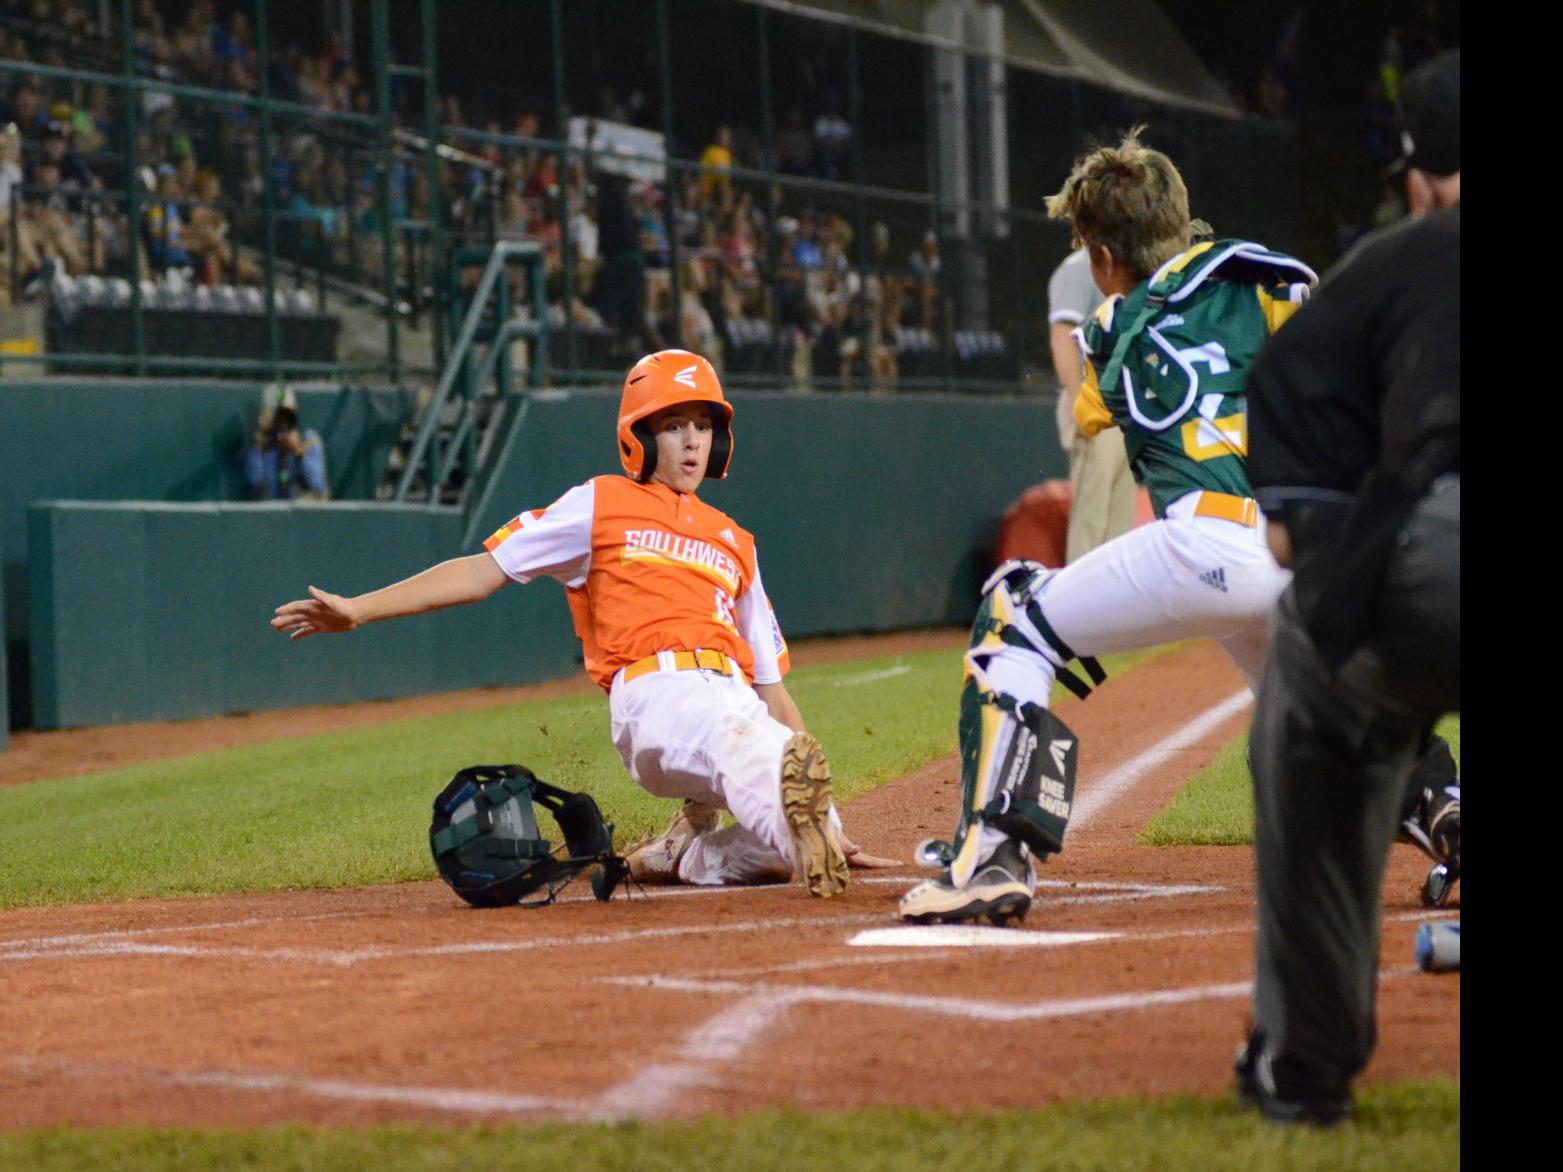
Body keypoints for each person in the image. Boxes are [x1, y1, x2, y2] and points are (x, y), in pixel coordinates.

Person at [271, 350, 894, 895]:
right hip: (656, 697)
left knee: (775, 779)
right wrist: (359, 608)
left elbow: (771, 690)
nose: (692, 441)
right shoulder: (602, 502)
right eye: (673, 426)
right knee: (743, 746)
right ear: (639, 438)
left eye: (702, 426)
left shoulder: (737, 542)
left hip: (730, 695)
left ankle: (693, 854)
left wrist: (831, 811)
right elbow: (481, 572)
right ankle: (791, 825)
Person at [899, 129, 1317, 926]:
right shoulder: (1269, 278)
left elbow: (1091, 415)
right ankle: (1445, 813)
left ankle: (990, 853)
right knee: (1324, 710)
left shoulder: (1106, 330)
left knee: (1012, 614)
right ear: (1183, 219)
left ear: (1099, 259)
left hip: (1199, 541)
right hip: (1289, 547)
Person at [1234, 50, 1460, 1126]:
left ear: (1422, 174)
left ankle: (1306, 1055)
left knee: (1322, 699)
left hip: (1441, 554)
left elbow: (1284, 384)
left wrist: (1326, 549)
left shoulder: (1407, 253)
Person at [1047, 245, 1138, 563]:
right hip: (1095, 403)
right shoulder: (1078, 268)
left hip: (1125, 408)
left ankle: (1114, 611)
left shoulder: (1124, 266)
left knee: (1119, 530)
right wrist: (1080, 403)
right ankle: (1080, 612)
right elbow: (1062, 339)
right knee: (1090, 526)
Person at [244, 384, 329, 502]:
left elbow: (316, 483)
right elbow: (254, 480)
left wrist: (298, 452)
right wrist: (260, 439)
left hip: (304, 514)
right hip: (271, 513)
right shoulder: (262, 444)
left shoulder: (309, 440)